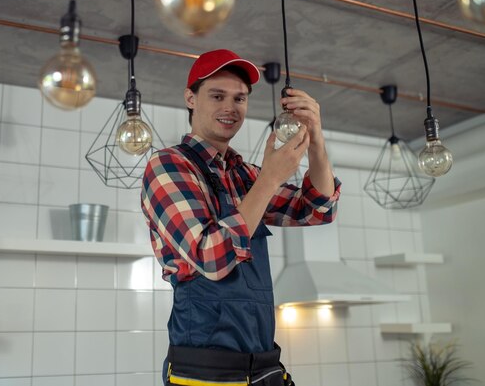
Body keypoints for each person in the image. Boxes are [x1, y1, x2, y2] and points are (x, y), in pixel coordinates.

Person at [141, 49, 341, 386]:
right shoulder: (168, 166)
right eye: (217, 96)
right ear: (191, 98)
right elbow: (212, 256)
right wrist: (270, 179)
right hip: (205, 369)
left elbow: (318, 208)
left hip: (262, 362)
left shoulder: (244, 174)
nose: (230, 108)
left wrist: (316, 141)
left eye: (240, 98)